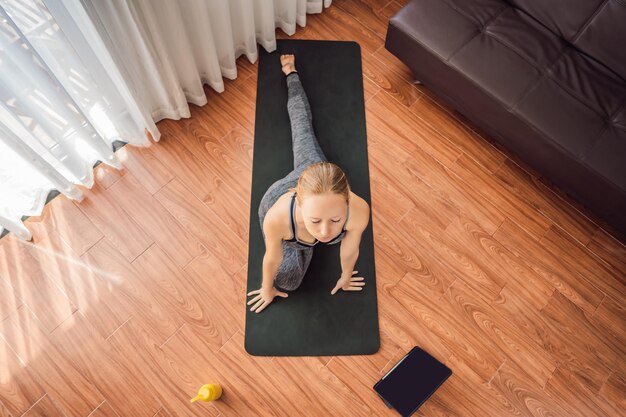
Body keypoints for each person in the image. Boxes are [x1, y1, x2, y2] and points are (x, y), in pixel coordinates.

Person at [247, 54, 370, 314]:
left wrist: (345, 277)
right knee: (288, 281)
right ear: (300, 204)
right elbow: (272, 257)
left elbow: (350, 249)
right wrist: (267, 288)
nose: (325, 231)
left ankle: (307, 240)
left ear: (347, 201)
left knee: (332, 240)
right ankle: (291, 74)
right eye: (316, 221)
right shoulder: (276, 217)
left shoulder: (358, 210)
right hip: (284, 206)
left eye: (335, 220)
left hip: (315, 171)